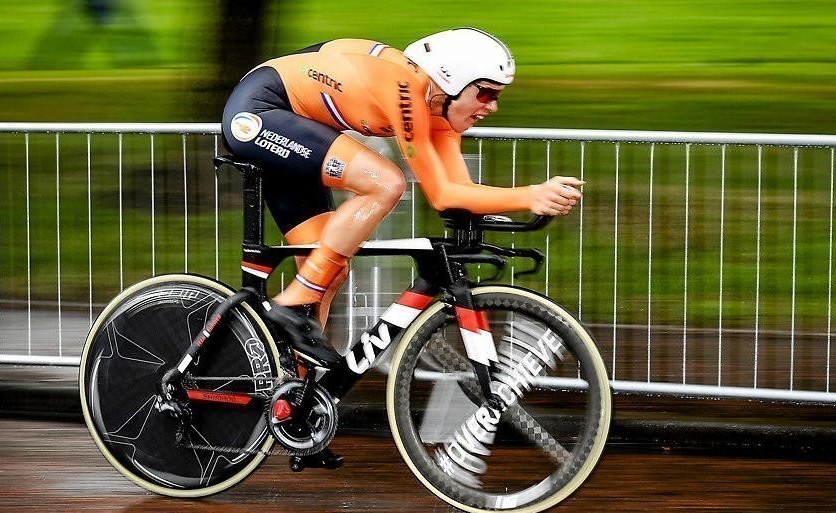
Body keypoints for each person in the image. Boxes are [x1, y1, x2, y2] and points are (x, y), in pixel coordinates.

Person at [222, 27, 583, 370]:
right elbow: (441, 194)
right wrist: (529, 195)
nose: (492, 107)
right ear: (451, 80)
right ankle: (290, 303)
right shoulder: (406, 87)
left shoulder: (438, 113)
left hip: (298, 127)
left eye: (497, 96)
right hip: (260, 112)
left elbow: (457, 192)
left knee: (328, 269)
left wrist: (521, 202)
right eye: (486, 93)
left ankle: (293, 392)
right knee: (385, 182)